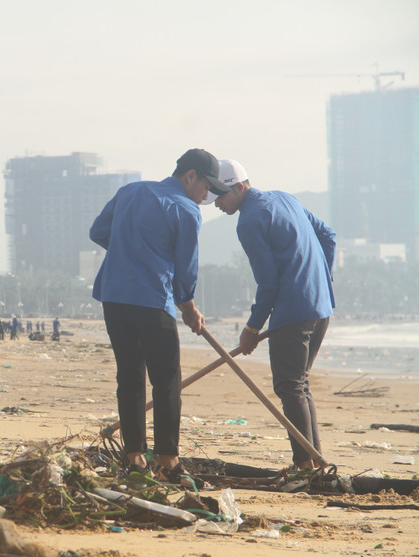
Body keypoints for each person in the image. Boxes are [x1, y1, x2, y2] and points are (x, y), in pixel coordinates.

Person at [90, 148, 228, 487]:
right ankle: (168, 461)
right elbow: (185, 269)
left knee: (130, 376)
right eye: (206, 187)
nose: (206, 196)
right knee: (166, 381)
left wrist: (130, 250)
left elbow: (98, 231)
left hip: (114, 297)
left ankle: (135, 459)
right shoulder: (186, 209)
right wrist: (189, 307)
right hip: (152, 300)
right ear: (190, 176)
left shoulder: (130, 191)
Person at [214, 159, 336, 470]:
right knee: (298, 383)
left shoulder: (250, 221)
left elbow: (267, 283)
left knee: (289, 385)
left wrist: (252, 328)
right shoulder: (286, 197)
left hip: (293, 311)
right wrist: (321, 280)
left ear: (238, 187)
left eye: (220, 196)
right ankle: (314, 459)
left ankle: (305, 463)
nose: (217, 203)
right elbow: (328, 236)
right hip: (321, 306)